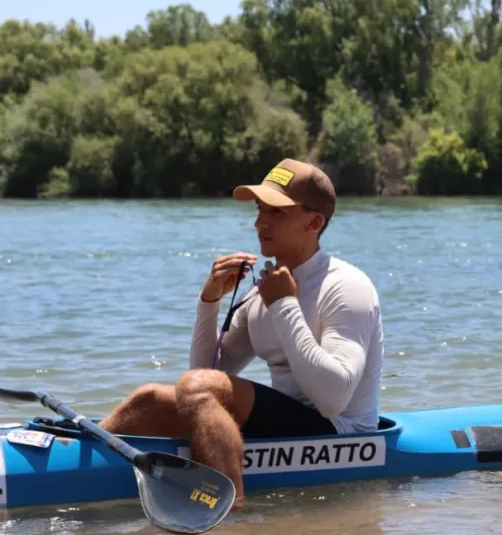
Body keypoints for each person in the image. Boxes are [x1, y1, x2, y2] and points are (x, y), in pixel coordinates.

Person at [98, 158, 384, 505]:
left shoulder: (347, 287)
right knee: (149, 400)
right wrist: (210, 301)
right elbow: (206, 377)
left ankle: (228, 512)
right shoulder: (260, 292)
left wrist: (284, 305)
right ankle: (71, 462)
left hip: (341, 434)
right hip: (287, 425)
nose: (259, 222)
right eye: (260, 209)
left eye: (276, 212)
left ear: (314, 221)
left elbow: (333, 399)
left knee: (197, 389)